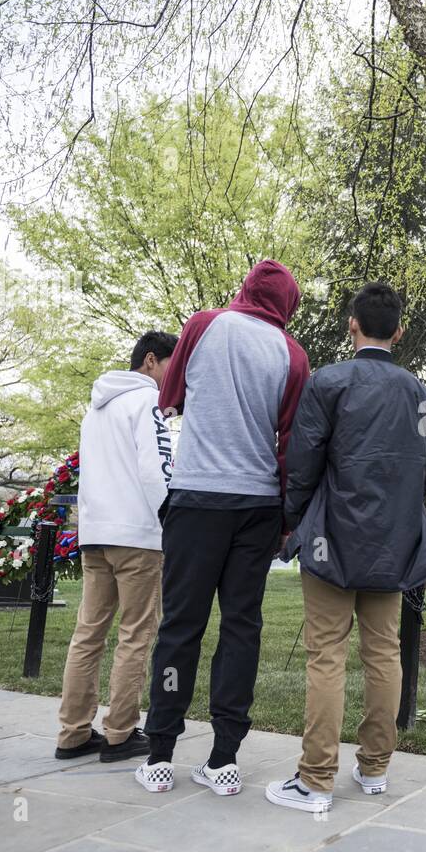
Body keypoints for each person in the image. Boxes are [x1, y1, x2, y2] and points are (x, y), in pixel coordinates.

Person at [266, 281, 426, 814]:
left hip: (332, 538)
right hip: (393, 543)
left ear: (353, 324)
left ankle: (316, 779)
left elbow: (302, 463)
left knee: (327, 656)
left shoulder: (328, 382)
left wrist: (290, 521)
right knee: (383, 652)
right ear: (399, 330)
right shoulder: (423, 394)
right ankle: (374, 769)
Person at [136, 260, 309, 796]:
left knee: (180, 626)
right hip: (257, 504)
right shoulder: (293, 354)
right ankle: (224, 758)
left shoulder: (202, 324)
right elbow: (290, 444)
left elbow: (171, 398)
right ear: (287, 305)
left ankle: (160, 755)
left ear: (246, 288)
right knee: (241, 627)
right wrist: (287, 519)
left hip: (197, 498)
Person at [55, 331, 178, 763]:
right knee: (135, 634)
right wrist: (171, 520)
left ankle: (72, 732)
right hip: (137, 537)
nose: (175, 376)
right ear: (151, 360)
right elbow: (156, 467)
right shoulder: (148, 402)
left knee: (88, 634)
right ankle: (120, 733)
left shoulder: (95, 410)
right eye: (173, 364)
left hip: (96, 534)